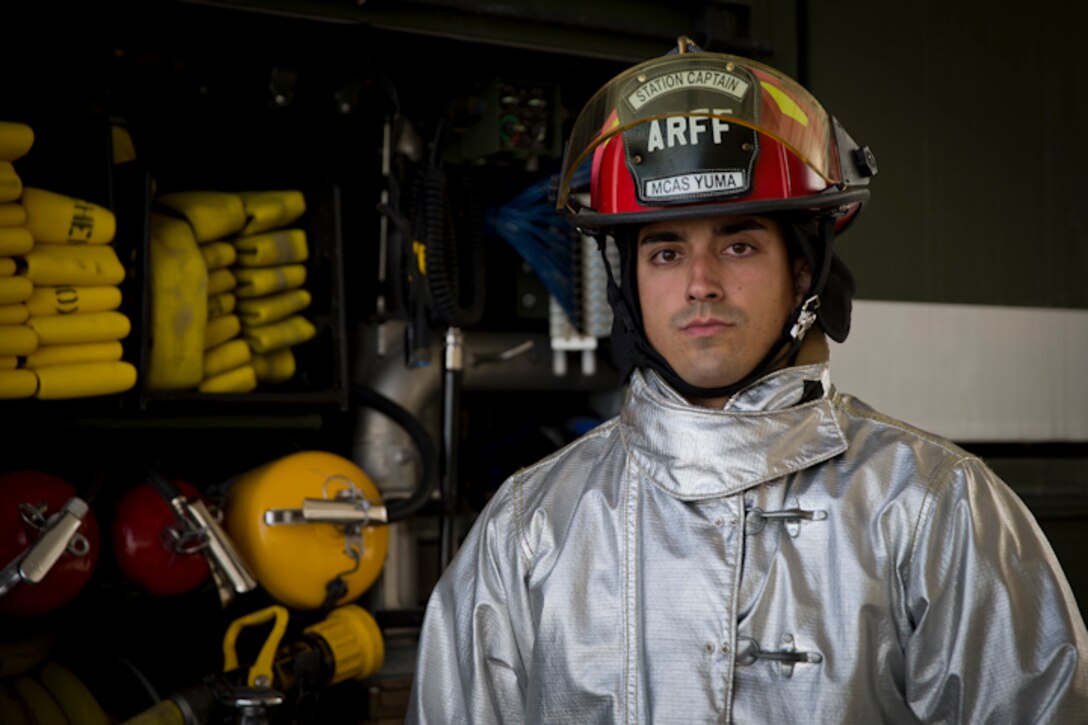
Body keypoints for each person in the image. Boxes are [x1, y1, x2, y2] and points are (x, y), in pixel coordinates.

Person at [406, 37, 1088, 723]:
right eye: (666, 250)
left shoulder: (932, 509)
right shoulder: (528, 530)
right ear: (629, 284)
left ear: (803, 270)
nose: (700, 284)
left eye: (739, 244)